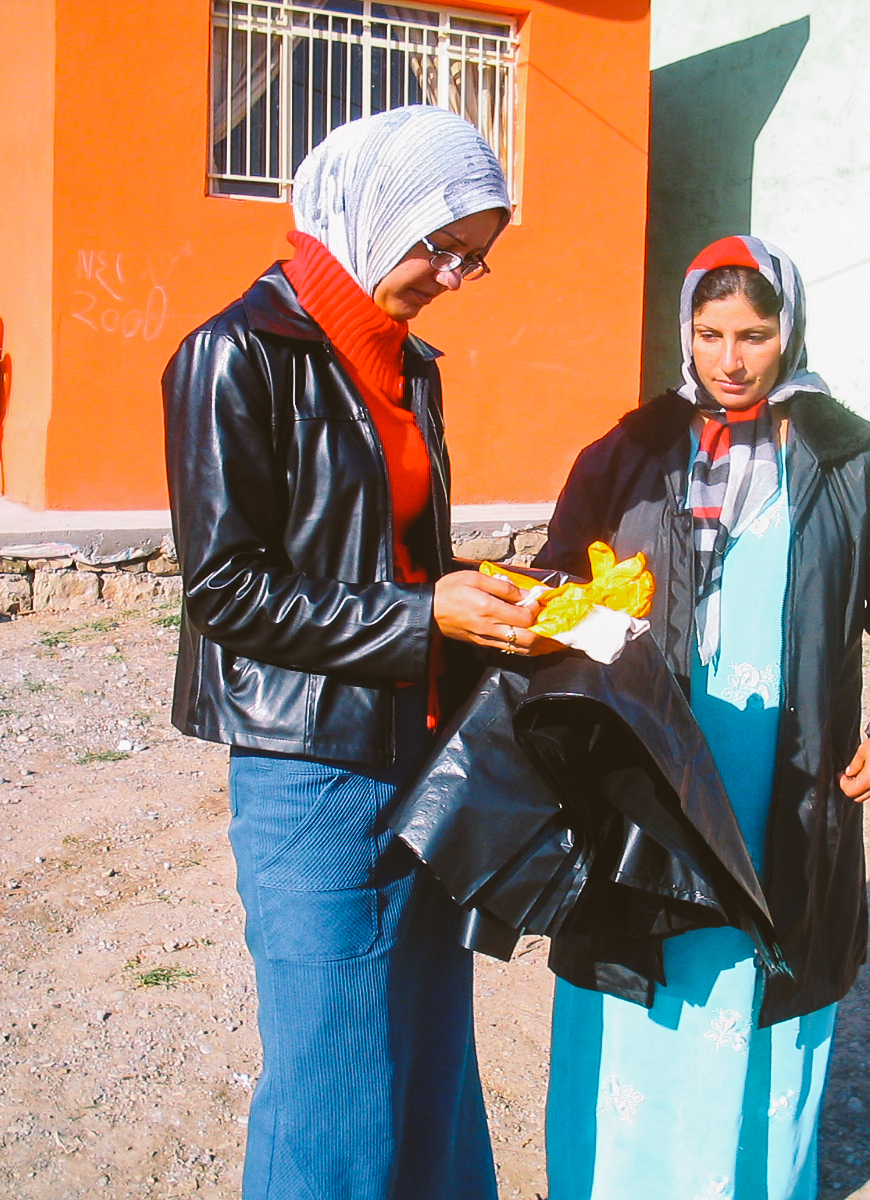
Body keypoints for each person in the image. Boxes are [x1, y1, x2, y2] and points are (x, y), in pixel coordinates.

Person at [161, 106, 553, 1200]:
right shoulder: (235, 355)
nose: (450, 275)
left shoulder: (408, 365)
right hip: (308, 772)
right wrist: (427, 619)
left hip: (419, 746)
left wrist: (479, 595)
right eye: (440, 246)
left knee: (427, 1058)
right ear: (376, 209)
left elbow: (384, 551)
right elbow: (225, 589)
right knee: (332, 1078)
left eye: (473, 260)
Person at [535, 235, 870, 1199]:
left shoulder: (857, 459)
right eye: (710, 331)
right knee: (645, 946)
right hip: (649, 758)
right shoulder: (629, 449)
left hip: (784, 763)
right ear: (685, 329)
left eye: (755, 335)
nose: (730, 358)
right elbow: (560, 572)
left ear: (788, 333)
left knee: (764, 954)